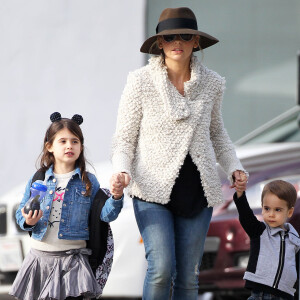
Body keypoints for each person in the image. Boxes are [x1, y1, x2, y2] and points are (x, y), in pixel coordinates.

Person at [111, 6, 248, 300]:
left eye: (185, 36)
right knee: (160, 268)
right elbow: (123, 139)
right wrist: (122, 170)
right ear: (160, 43)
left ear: (195, 42)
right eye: (169, 36)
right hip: (151, 190)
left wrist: (234, 166)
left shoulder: (212, 83)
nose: (177, 42)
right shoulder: (140, 81)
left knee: (188, 276)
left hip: (197, 192)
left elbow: (217, 133)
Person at [10, 112, 124, 300]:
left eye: (74, 141)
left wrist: (117, 196)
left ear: (81, 147)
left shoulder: (88, 181)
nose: (69, 145)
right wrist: (28, 221)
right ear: (50, 147)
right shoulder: (38, 179)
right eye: (62, 141)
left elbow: (105, 215)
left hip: (74, 264)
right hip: (40, 261)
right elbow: (21, 214)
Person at [234, 177, 300, 300]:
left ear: (289, 212)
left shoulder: (295, 240)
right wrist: (240, 194)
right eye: (267, 208)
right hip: (261, 294)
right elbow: (245, 215)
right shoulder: (259, 231)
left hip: (285, 295)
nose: (271, 214)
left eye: (278, 210)